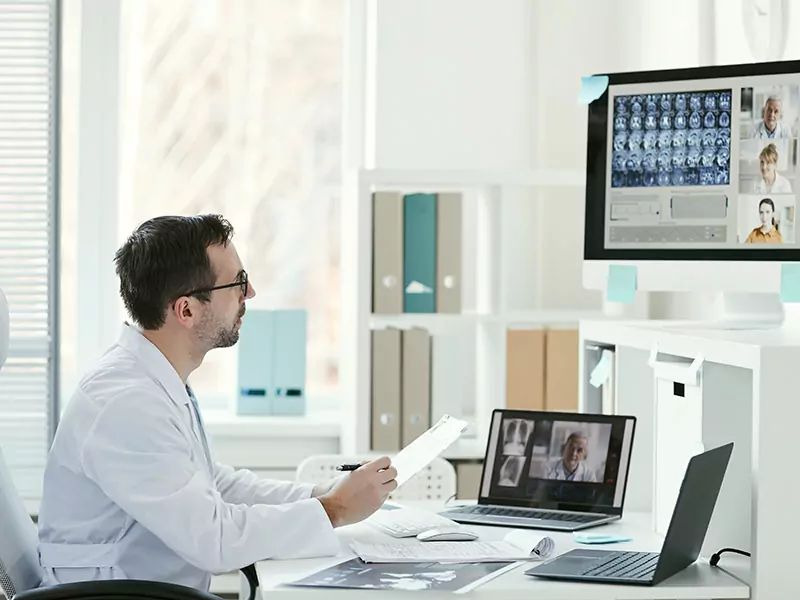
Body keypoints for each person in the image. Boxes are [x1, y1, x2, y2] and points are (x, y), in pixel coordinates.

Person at [36, 215, 398, 591]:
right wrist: (334, 510)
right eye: (238, 282)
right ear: (187, 310)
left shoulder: (151, 379)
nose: (251, 292)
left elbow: (211, 484)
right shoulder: (126, 403)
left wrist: (320, 493)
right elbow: (215, 540)